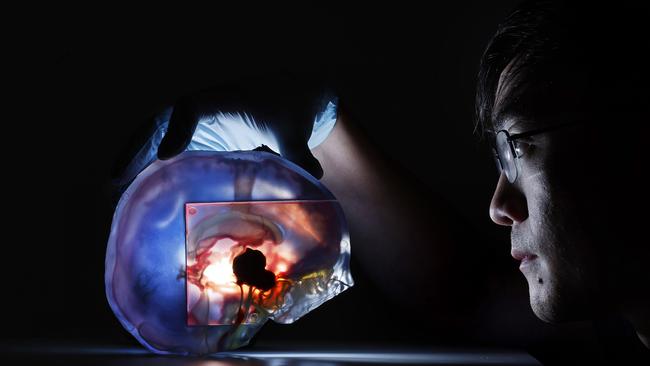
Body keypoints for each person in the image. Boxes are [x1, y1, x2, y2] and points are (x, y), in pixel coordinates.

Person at [111, 1, 649, 363]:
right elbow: (468, 296)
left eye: (521, 147)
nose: (499, 206)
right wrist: (323, 128)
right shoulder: (616, 321)